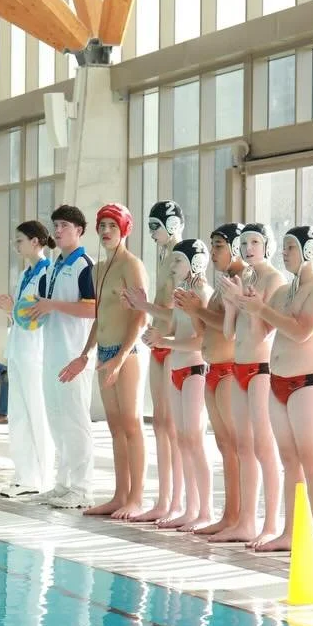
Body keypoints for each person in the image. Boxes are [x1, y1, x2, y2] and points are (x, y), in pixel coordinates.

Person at [231, 227, 313, 553]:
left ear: (310, 250)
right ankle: (291, 531)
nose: (285, 253)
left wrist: (261, 309)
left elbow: (301, 331)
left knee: (312, 457)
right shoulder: (284, 291)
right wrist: (242, 303)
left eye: (291, 247)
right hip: (278, 380)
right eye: (286, 247)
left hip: (308, 381)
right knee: (290, 460)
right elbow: (262, 332)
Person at [64, 203, 147, 518]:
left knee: (131, 424)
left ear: (124, 229)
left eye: (113, 226)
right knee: (115, 428)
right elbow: (100, 317)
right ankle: (119, 495)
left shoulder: (132, 265)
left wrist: (121, 357)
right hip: (104, 352)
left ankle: (136, 498)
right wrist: (85, 354)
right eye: (102, 226)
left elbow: (140, 317)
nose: (106, 231)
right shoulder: (97, 269)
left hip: (127, 353)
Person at [213, 223, 285, 545]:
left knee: (264, 447)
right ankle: (246, 522)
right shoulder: (248, 279)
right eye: (245, 243)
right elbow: (229, 334)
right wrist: (231, 306)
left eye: (256, 242)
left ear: (266, 245)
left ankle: (270, 524)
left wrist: (248, 304)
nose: (249, 248)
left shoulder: (274, 280)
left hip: (261, 368)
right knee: (243, 445)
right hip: (239, 365)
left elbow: (265, 330)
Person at [176, 224, 243, 540]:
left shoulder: (238, 280)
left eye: (218, 246)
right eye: (212, 246)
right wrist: (195, 312)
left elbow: (232, 328)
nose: (213, 252)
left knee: (235, 446)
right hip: (214, 369)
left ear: (236, 246)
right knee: (224, 445)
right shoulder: (223, 283)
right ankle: (228, 515)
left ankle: (237, 517)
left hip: (230, 369)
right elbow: (208, 327)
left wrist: (198, 309)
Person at [121, 200, 186, 523]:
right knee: (160, 423)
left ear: (172, 225)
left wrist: (145, 306)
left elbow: (179, 314)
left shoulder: (180, 258)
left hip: (174, 346)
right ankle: (164, 500)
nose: (150, 233)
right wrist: (145, 311)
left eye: (155, 226)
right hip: (158, 344)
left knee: (171, 425)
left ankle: (175, 502)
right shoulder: (163, 258)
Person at [143, 238, 212, 530]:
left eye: (178, 261)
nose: (172, 266)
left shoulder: (202, 293)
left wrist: (165, 341)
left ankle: (205, 511)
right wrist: (142, 305)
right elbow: (171, 317)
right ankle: (187, 507)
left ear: (196, 263)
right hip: (178, 368)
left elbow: (201, 339)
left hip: (195, 368)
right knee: (182, 439)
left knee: (194, 440)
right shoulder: (183, 293)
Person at [36, 204, 98, 509]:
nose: (58, 231)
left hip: (75, 354)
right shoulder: (54, 265)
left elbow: (93, 308)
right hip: (52, 352)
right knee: (57, 420)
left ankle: (82, 488)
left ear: (79, 231)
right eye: (55, 225)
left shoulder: (85, 265)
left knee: (75, 420)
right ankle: (62, 484)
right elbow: (45, 308)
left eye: (64, 225)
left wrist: (53, 306)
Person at [0, 220, 57, 497]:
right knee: (18, 415)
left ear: (35, 242)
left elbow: (40, 314)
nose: (15, 245)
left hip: (35, 354)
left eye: (19, 240)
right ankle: (24, 476)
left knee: (37, 415)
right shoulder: (25, 273)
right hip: (19, 350)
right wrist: (9, 309)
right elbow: (20, 317)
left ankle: (44, 478)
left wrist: (14, 306)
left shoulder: (46, 273)